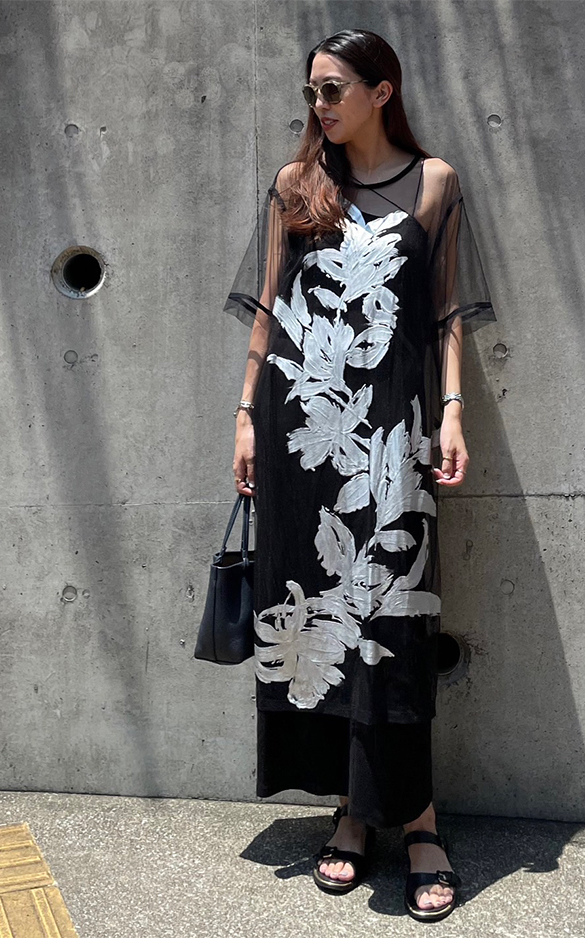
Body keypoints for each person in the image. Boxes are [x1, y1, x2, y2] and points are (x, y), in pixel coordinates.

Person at [224, 28, 496, 922]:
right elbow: (268, 310)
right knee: (317, 612)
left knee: (393, 617)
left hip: (391, 435)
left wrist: (452, 410)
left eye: (334, 88)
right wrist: (244, 416)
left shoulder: (435, 183)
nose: (320, 105)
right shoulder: (296, 185)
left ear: (383, 91)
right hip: (302, 431)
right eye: (312, 91)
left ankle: (417, 820)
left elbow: (446, 313)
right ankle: (349, 812)